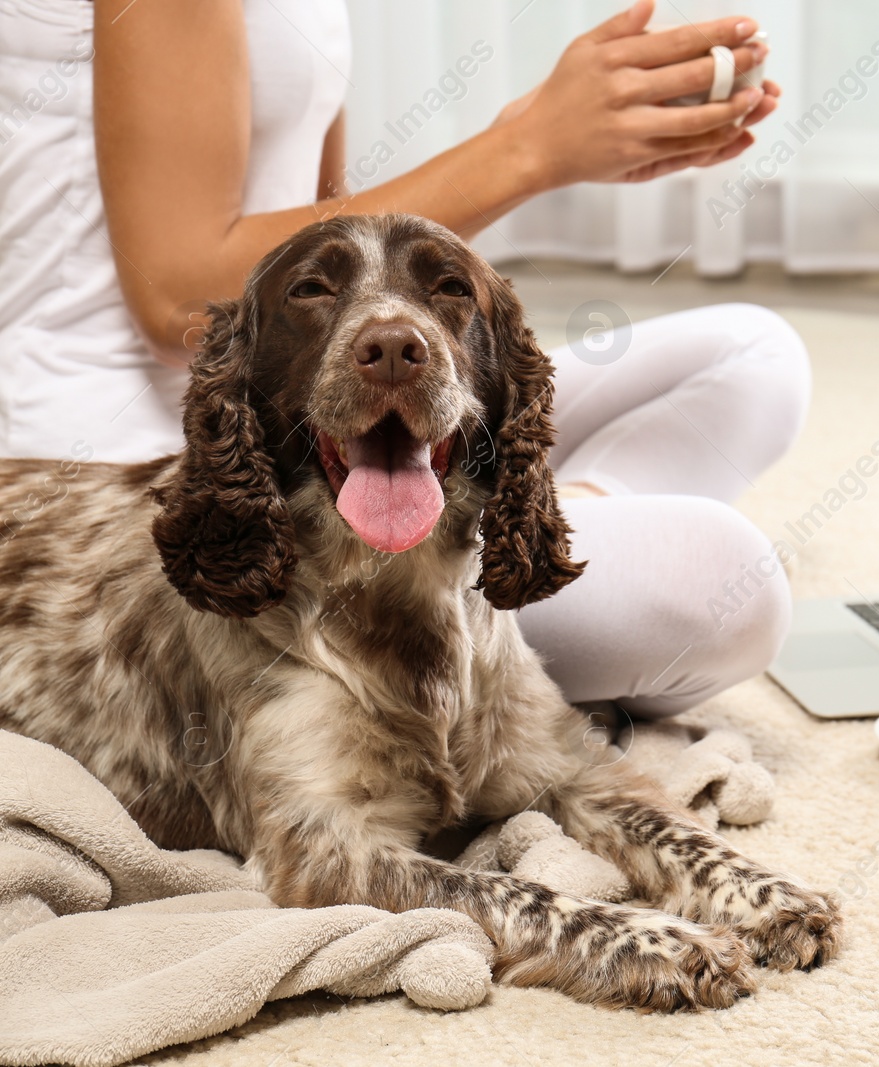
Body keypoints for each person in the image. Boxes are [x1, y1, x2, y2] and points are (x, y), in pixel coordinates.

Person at [0, 0, 808, 716]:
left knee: (753, 357)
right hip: (159, 474)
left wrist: (535, 129)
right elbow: (178, 296)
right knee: (729, 583)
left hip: (319, 414)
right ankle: (514, 548)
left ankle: (526, 520)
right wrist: (529, 148)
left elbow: (328, 239)